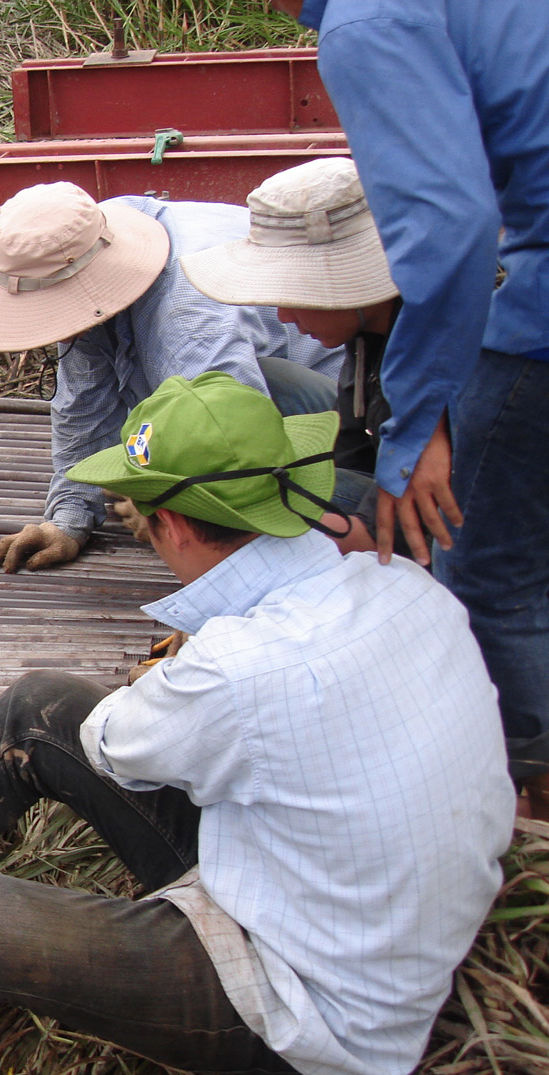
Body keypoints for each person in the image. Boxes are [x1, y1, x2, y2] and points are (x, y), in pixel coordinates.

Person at [0, 372, 514, 1075]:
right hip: (345, 902)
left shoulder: (237, 667)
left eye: (143, 521)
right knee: (42, 705)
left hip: (314, 1007)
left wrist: (176, 665)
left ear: (175, 527)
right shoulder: (402, 586)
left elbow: (115, 742)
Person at [268, 0, 549, 814]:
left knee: (490, 571)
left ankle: (518, 802)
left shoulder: (367, 21)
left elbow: (453, 223)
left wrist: (421, 422)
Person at [0, 181, 342, 573]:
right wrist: (68, 517)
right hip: (240, 400)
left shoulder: (191, 318)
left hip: (335, 421)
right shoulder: (77, 241)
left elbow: (233, 457)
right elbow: (83, 404)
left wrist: (171, 513)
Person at [180, 157, 399, 554]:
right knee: (271, 377)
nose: (282, 315)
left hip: (443, 500)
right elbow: (352, 450)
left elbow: (376, 530)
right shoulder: (367, 328)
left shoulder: (425, 355)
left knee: (251, 491)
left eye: (294, 292)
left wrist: (226, 518)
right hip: (383, 451)